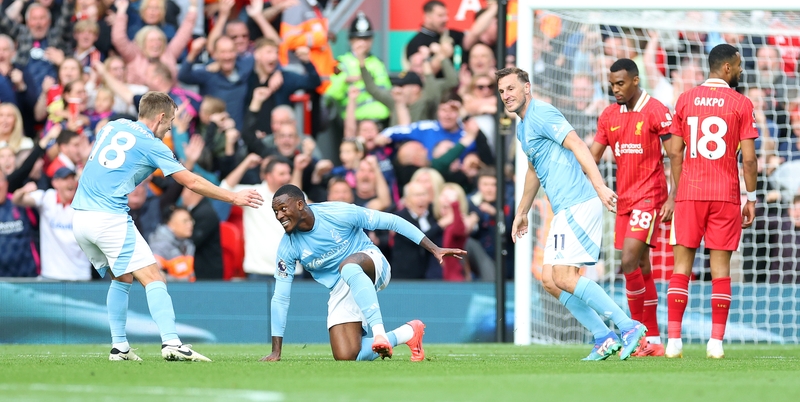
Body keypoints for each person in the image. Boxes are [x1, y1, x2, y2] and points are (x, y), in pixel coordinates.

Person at [70, 91, 264, 362]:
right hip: (108, 217)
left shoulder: (112, 126)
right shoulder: (152, 144)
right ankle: (172, 342)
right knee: (154, 278)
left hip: (79, 216)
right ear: (160, 117)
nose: (169, 129)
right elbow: (192, 182)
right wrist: (233, 196)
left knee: (122, 277)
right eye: (170, 123)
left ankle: (120, 348)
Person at [499, 66, 647, 361]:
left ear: (527, 88)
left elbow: (578, 144)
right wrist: (522, 211)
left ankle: (628, 326)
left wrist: (601, 186)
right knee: (550, 279)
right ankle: (603, 336)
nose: (506, 95)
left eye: (511, 88)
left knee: (565, 277)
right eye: (502, 91)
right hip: (563, 208)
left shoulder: (542, 113)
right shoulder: (523, 126)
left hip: (578, 203)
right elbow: (533, 168)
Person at [262, 184, 467, 362]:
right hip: (341, 286)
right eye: (275, 212)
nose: (279, 216)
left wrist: (434, 249)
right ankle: (408, 332)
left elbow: (392, 222)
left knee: (348, 266)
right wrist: (276, 351)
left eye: (282, 209)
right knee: (347, 355)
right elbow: (280, 298)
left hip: (372, 263)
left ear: (299, 204)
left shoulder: (338, 213)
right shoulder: (287, 247)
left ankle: (379, 333)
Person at [665, 44, 758, 360]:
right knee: (721, 270)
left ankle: (674, 340)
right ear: (728, 68)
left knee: (681, 267)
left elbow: (675, 152)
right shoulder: (741, 103)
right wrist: (751, 197)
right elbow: (749, 159)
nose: (742, 70)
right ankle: (715, 343)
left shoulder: (685, 99)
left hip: (690, 193)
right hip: (725, 194)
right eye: (740, 65)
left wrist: (681, 189)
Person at [590, 58, 674, 356]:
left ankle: (636, 333)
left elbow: (676, 154)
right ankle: (653, 340)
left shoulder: (656, 110)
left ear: (636, 80)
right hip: (623, 201)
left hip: (649, 198)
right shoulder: (609, 115)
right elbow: (592, 157)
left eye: (620, 83)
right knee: (640, 267)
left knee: (627, 262)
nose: (615, 89)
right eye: (612, 84)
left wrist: (673, 198)